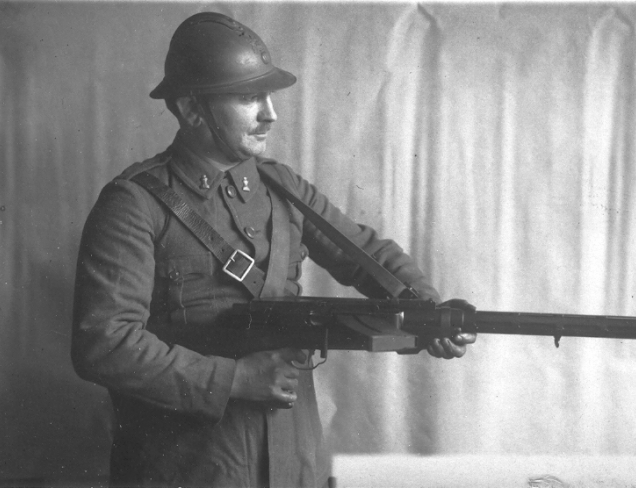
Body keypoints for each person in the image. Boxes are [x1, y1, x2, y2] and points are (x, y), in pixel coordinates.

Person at [71, 11, 475, 488]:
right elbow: (105, 344)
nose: (270, 114)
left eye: (268, 96)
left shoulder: (281, 188)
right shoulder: (135, 204)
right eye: (248, 97)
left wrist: (429, 310)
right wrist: (234, 380)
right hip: (192, 469)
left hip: (295, 462)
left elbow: (366, 255)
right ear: (191, 108)